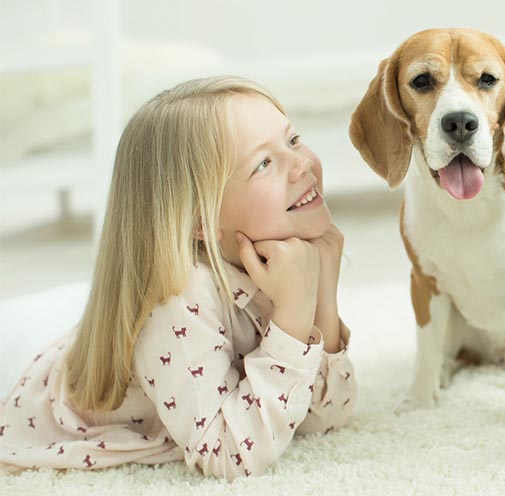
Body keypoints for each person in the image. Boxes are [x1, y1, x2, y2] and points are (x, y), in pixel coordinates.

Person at [0, 76, 356, 479]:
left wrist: (321, 293)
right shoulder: (178, 299)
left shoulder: (283, 259)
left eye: (293, 140)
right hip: (22, 370)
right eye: (263, 164)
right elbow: (228, 456)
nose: (302, 163)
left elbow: (325, 417)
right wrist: (293, 318)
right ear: (201, 220)